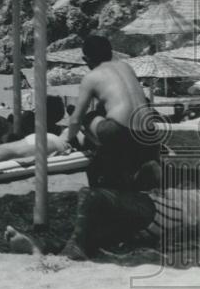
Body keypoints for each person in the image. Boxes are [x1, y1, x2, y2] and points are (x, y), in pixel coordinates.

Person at [5, 168, 200, 260]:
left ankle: (69, 249)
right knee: (96, 227)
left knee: (91, 196)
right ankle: (48, 247)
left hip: (165, 210)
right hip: (159, 210)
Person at [65, 34, 161, 190]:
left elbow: (76, 119)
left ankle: (108, 154)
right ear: (111, 53)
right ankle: (141, 165)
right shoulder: (126, 67)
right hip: (149, 133)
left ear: (86, 59)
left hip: (119, 132)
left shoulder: (91, 77)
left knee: (88, 118)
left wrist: (68, 140)